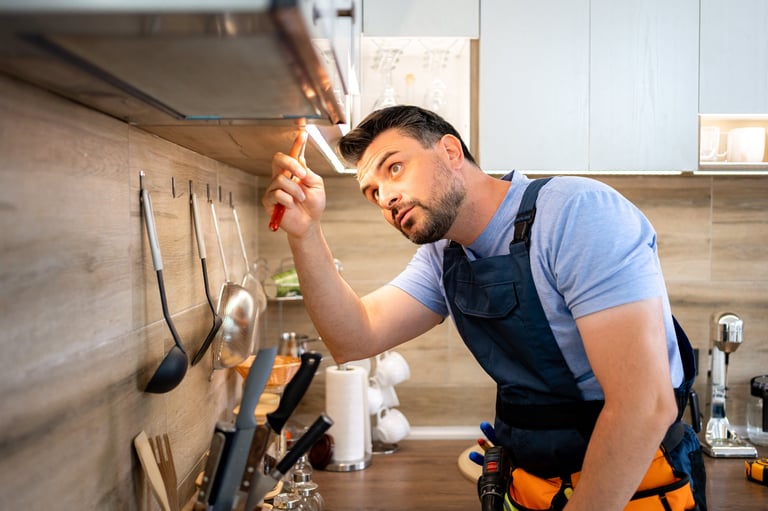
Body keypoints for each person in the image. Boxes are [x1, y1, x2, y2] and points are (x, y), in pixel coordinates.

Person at [263, 105, 706, 511]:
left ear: (451, 151)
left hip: (630, 487)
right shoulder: (444, 256)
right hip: (531, 487)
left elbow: (644, 405)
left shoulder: (576, 213)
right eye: (373, 192)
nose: (386, 197)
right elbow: (353, 337)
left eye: (395, 168)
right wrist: (304, 231)